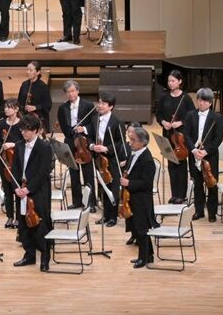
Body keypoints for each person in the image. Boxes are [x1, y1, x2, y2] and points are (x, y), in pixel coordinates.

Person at [11, 113, 53, 272]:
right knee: (24, 224)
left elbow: (43, 172)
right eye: (22, 129)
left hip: (38, 191)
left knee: (41, 225)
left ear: (36, 130)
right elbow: (15, 168)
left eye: (27, 130)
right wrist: (16, 187)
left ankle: (45, 258)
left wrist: (29, 189)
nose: (23, 132)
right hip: (21, 190)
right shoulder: (19, 145)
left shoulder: (45, 147)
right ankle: (29, 255)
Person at [120, 123, 157, 267]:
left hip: (142, 200)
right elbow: (131, 170)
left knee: (142, 230)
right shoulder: (133, 153)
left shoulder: (147, 160)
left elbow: (146, 184)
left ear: (143, 142)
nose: (130, 142)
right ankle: (149, 255)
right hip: (133, 197)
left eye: (133, 140)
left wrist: (129, 183)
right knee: (138, 228)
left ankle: (143, 258)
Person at [55, 80, 97, 209]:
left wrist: (83, 129)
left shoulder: (89, 106)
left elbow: (94, 124)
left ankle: (91, 203)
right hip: (70, 142)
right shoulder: (62, 108)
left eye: (73, 91)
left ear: (78, 91)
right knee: (74, 174)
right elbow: (63, 127)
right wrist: (72, 132)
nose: (71, 94)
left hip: (84, 143)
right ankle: (77, 201)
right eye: (68, 92)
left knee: (88, 174)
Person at [185, 87, 223, 222]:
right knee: (197, 184)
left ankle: (212, 213)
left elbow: (218, 138)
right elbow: (186, 135)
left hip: (210, 156)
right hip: (194, 155)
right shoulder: (190, 115)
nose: (201, 103)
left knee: (211, 184)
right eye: (199, 100)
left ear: (210, 102)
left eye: (204, 101)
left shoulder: (217, 117)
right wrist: (194, 150)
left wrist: (205, 151)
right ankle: (199, 211)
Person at [89, 92, 126, 227]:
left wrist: (106, 148)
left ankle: (112, 217)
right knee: (102, 187)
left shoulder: (117, 122)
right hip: (99, 159)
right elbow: (90, 136)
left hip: (111, 158)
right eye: (99, 103)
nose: (100, 105)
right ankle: (105, 215)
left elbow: (121, 142)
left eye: (103, 104)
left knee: (112, 187)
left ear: (111, 106)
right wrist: (92, 146)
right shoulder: (94, 119)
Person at [156, 69, 192, 204]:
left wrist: (180, 122)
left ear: (180, 81)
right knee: (171, 165)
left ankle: (182, 195)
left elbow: (192, 116)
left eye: (173, 81)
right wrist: (163, 122)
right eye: (169, 81)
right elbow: (158, 114)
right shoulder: (164, 97)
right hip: (167, 135)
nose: (170, 83)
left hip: (181, 137)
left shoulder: (186, 98)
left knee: (181, 165)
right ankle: (174, 194)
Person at [0, 99, 24, 227]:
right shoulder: (1, 124)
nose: (6, 109)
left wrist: (13, 144)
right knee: (7, 190)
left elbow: (25, 141)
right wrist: (1, 146)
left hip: (18, 161)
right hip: (4, 160)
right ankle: (10, 216)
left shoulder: (22, 124)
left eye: (9, 107)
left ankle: (18, 218)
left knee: (17, 189)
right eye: (5, 107)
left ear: (16, 109)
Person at [17, 60, 51, 127]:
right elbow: (19, 101)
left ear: (38, 72)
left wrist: (35, 107)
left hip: (39, 120)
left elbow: (48, 105)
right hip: (26, 118)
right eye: (27, 70)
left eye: (31, 70)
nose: (28, 72)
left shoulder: (43, 87)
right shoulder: (24, 84)